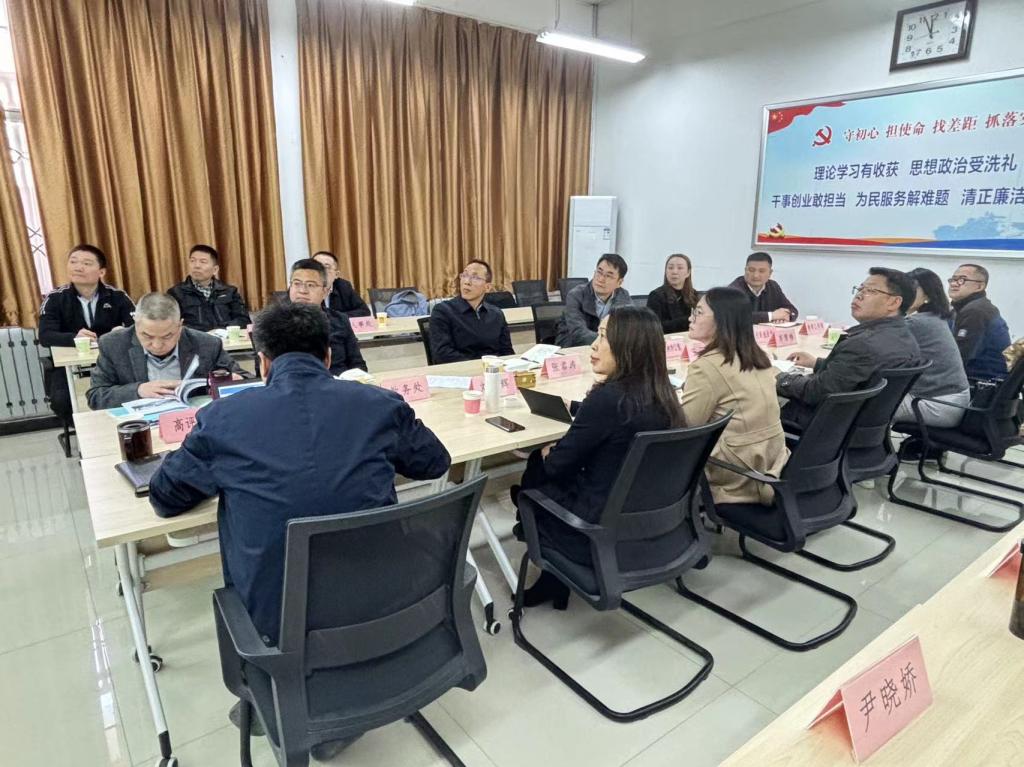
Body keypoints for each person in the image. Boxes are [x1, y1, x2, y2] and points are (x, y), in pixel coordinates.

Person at [148, 301, 450, 759]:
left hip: (276, 626)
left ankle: (283, 696)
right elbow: (434, 462)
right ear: (328, 356)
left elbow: (165, 498)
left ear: (262, 362)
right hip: (387, 603)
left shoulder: (224, 418)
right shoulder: (378, 403)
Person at [512, 305, 685, 608]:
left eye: (604, 336)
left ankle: (548, 563)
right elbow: (619, 421)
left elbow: (557, 467)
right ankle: (554, 581)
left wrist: (544, 452)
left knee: (537, 466)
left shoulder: (608, 399)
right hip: (644, 528)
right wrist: (581, 408)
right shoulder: (663, 396)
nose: (593, 345)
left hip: (592, 532)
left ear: (628, 346)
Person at [777, 267, 921, 430]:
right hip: (858, 430)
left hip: (819, 426)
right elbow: (860, 373)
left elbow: (814, 392)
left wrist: (778, 376)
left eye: (871, 291)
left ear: (894, 302)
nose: (859, 295)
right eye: (860, 289)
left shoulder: (863, 344)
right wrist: (816, 363)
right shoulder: (906, 339)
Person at [682, 287, 788, 503]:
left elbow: (687, 429)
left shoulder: (706, 367)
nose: (690, 318)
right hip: (771, 462)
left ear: (722, 320)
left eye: (699, 313)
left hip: (735, 474)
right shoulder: (758, 356)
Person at [86, 292, 241, 410]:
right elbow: (95, 396)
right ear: (136, 324)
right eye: (147, 336)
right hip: (141, 424)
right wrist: (138, 390)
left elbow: (243, 379)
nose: (157, 345)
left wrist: (234, 381)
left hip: (194, 422)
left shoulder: (206, 344)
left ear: (180, 326)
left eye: (167, 336)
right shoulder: (113, 344)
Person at [38, 244, 135, 419]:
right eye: (73, 262)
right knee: (62, 401)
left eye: (86, 263)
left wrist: (122, 333)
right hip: (69, 364)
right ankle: (84, 429)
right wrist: (74, 338)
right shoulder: (55, 298)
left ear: (101, 272)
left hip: (110, 361)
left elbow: (136, 328)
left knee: (127, 393)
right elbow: (45, 336)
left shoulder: (117, 296)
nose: (78, 267)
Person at [894, 268, 970, 428]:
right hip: (953, 400)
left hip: (937, 404)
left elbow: (875, 343)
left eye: (911, 290)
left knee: (865, 405)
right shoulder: (935, 318)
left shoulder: (917, 322)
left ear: (928, 295)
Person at [287, 258, 367, 374]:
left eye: (311, 285)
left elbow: (357, 364)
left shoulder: (339, 320)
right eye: (297, 283)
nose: (302, 291)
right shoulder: (274, 323)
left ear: (325, 292)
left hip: (338, 382)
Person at [429, 259, 514, 363]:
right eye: (464, 275)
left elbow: (507, 352)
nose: (467, 282)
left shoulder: (496, 314)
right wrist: (480, 365)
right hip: (460, 370)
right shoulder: (443, 311)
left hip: (493, 369)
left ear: (487, 287)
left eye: (475, 277)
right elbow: (442, 354)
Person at [947, 263, 1011, 381]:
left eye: (962, 280)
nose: (954, 284)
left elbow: (959, 358)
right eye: (953, 279)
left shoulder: (976, 311)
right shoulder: (965, 308)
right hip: (974, 378)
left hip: (982, 381)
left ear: (979, 286)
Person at [167, 244, 251, 332]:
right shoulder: (176, 293)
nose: (196, 266)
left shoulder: (229, 292)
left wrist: (221, 331)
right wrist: (204, 335)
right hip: (195, 339)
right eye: (192, 261)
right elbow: (172, 324)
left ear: (215, 270)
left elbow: (243, 320)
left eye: (203, 262)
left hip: (226, 338)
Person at [555, 254, 632, 347]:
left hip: (606, 347)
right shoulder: (576, 295)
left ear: (619, 282)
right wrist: (610, 341)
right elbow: (578, 332)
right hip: (572, 346)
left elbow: (628, 329)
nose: (601, 279)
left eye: (608, 276)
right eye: (599, 272)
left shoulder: (623, 296)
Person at [728, 252, 799, 323]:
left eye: (761, 271)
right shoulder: (734, 290)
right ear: (745, 270)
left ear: (770, 273)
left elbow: (792, 310)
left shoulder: (773, 286)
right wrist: (772, 316)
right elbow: (736, 316)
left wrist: (785, 316)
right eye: (751, 270)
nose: (756, 275)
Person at [647, 253, 699, 333]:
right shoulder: (656, 296)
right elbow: (653, 327)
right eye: (670, 268)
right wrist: (687, 319)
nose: (674, 272)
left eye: (680, 268)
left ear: (688, 273)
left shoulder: (693, 294)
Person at [311, 250, 371, 318]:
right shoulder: (304, 289)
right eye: (316, 266)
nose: (320, 270)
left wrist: (336, 318)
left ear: (336, 274)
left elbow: (364, 311)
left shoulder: (343, 286)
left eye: (326, 267)